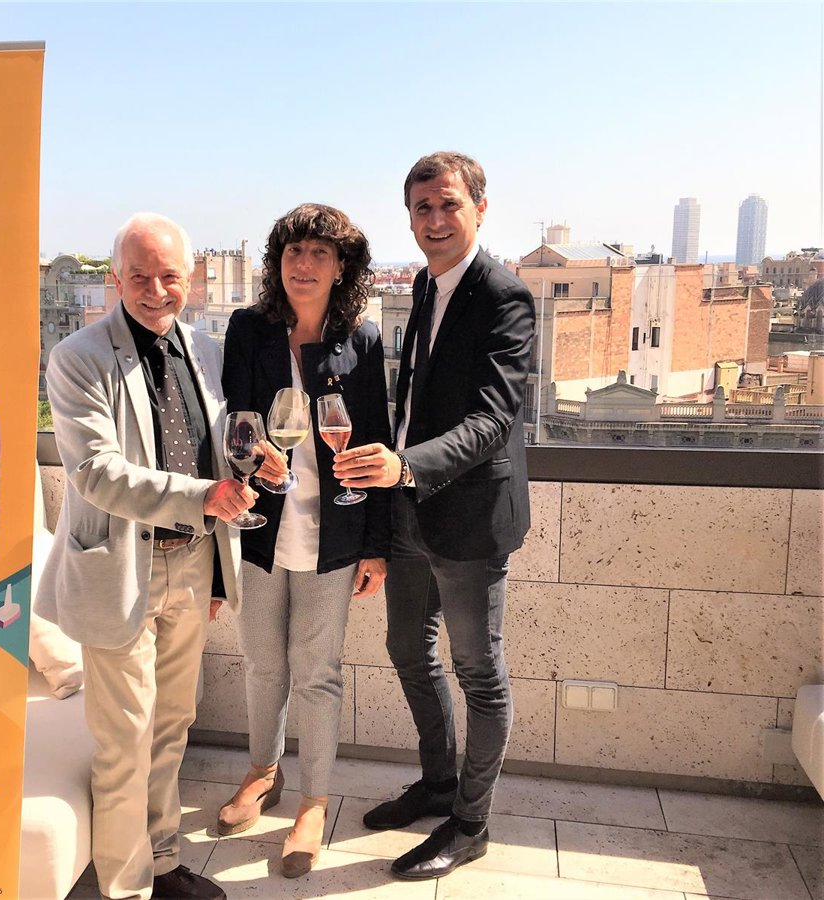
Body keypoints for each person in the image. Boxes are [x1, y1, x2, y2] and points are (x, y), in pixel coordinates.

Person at [36, 212, 274, 900]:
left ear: (191, 279)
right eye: (138, 275)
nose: (155, 289)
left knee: (171, 727)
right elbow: (96, 473)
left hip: (193, 563)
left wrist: (258, 461)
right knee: (125, 740)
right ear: (115, 279)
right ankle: (126, 888)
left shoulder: (207, 351)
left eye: (169, 275)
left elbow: (221, 444)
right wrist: (205, 497)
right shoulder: (78, 357)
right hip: (119, 570)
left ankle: (162, 863)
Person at [333, 152, 535, 881]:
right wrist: (395, 486)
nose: (436, 220)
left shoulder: (505, 296)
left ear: (480, 207)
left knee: (479, 672)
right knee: (407, 649)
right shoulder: (423, 284)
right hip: (410, 509)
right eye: (422, 208)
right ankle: (439, 782)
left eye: (449, 204)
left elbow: (492, 419)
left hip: (471, 518)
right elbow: (415, 399)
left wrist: (407, 464)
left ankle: (471, 823)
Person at [216, 203, 391, 878]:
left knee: (317, 672)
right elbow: (235, 419)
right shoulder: (249, 329)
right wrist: (249, 453)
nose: (305, 264)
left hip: (334, 531)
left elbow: (376, 441)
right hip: (262, 525)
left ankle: (313, 803)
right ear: (278, 263)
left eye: (320, 253)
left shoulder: (361, 341)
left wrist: (377, 545)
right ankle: (263, 772)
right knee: (263, 662)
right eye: (294, 252)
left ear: (342, 267)